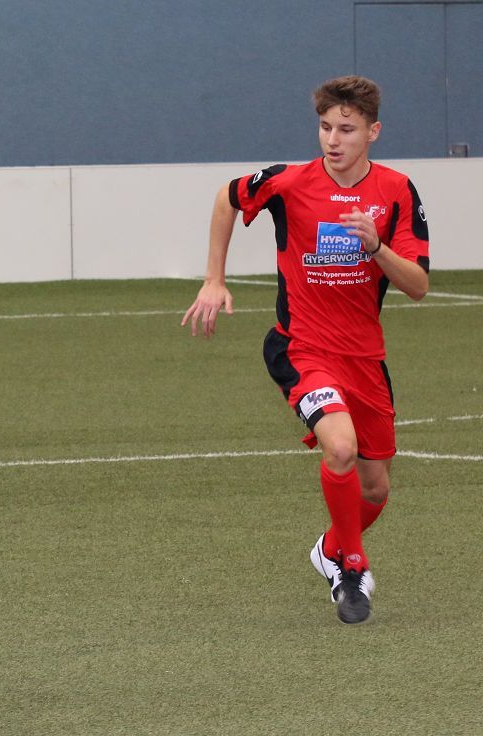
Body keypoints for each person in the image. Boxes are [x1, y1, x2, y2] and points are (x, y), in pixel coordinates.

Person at [181, 75, 429, 625]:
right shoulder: (289, 182)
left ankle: (330, 548)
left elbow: (418, 285)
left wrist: (376, 246)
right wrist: (214, 278)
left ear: (373, 132)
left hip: (364, 358)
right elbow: (228, 197)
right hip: (301, 347)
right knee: (339, 447)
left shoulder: (397, 192)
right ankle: (351, 566)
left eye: (347, 129)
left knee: (376, 487)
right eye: (324, 127)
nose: (333, 140)